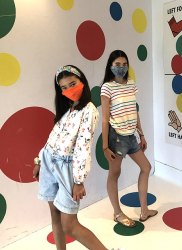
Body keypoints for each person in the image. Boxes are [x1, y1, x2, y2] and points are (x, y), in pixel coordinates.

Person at [32, 65, 110, 250]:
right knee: (54, 213)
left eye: (72, 84)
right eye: (64, 87)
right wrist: (39, 160)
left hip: (67, 168)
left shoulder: (89, 110)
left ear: (82, 81)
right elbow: (53, 136)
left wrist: (79, 180)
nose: (68, 90)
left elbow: (83, 147)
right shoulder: (68, 108)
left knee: (70, 225)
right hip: (49, 162)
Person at [100, 50, 158, 227]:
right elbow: (104, 118)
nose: (121, 68)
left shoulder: (131, 84)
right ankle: (117, 213)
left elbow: (134, 110)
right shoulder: (107, 87)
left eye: (124, 64)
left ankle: (144, 210)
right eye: (117, 65)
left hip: (131, 136)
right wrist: (104, 146)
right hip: (116, 137)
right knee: (114, 174)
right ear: (111, 66)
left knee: (146, 167)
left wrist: (141, 133)